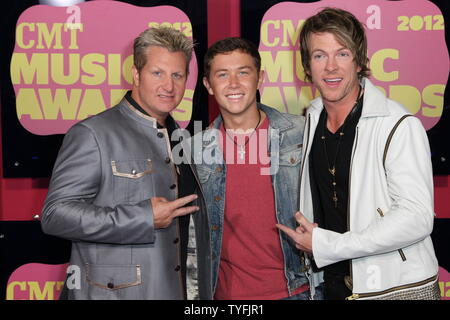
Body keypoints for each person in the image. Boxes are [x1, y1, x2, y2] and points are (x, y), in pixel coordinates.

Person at [277, 7, 440, 300]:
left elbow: (417, 217)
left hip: (397, 290)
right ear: (307, 65)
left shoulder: (398, 124)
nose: (331, 67)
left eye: (342, 53)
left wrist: (329, 245)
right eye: (319, 55)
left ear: (359, 60)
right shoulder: (310, 120)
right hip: (332, 287)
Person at [41, 27, 212, 300]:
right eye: (157, 73)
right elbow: (55, 215)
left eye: (177, 75)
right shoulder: (93, 133)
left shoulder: (181, 137)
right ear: (135, 74)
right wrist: (143, 217)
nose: (169, 86)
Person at [192, 37, 322, 300]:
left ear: (260, 78)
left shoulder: (301, 133)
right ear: (208, 84)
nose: (234, 84)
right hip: (224, 296)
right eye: (222, 75)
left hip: (297, 290)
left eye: (243, 72)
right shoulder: (195, 150)